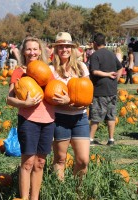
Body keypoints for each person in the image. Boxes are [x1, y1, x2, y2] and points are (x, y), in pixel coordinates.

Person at [6, 36, 55, 200]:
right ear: (23, 51)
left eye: (35, 49)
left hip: (48, 120)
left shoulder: (47, 71)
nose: (32, 52)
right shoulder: (19, 72)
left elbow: (54, 91)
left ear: (40, 51)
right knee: (27, 163)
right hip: (29, 120)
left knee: (40, 163)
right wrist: (24, 103)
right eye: (28, 49)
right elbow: (9, 99)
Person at [49, 32, 90, 181]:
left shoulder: (81, 68)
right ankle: (61, 191)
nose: (64, 49)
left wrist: (70, 101)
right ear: (56, 49)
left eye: (67, 46)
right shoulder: (51, 70)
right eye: (60, 46)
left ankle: (77, 192)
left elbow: (88, 94)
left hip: (80, 118)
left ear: (72, 49)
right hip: (59, 119)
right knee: (60, 159)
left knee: (83, 160)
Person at [89, 33, 123, 146]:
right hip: (112, 90)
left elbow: (94, 71)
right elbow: (121, 67)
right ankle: (111, 139)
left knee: (96, 116)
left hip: (100, 90)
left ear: (94, 43)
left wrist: (107, 74)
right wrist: (116, 79)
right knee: (111, 115)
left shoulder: (95, 55)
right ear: (104, 42)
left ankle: (90, 139)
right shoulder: (111, 54)